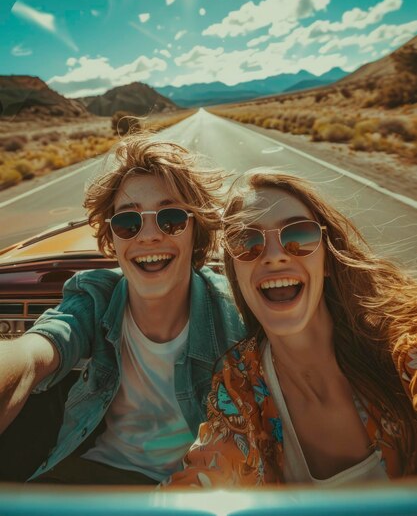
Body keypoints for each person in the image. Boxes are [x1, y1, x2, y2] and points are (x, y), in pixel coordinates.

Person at [0, 133, 246, 484]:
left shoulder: (233, 311)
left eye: (171, 218)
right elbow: (35, 353)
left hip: (198, 484)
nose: (147, 236)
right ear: (112, 238)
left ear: (197, 230)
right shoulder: (95, 295)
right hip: (97, 472)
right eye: (128, 222)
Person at [164, 169, 417, 487]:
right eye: (248, 241)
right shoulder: (239, 384)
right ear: (236, 275)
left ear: (327, 259)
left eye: (298, 236)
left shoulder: (399, 341)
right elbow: (207, 476)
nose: (273, 256)